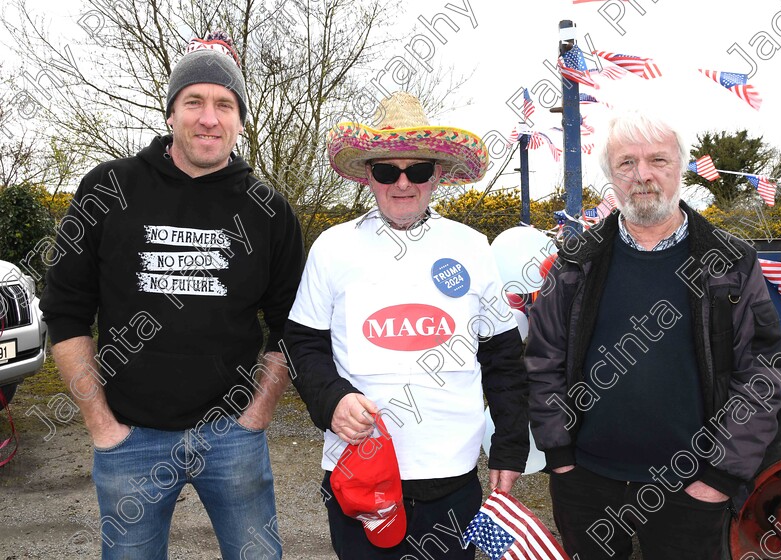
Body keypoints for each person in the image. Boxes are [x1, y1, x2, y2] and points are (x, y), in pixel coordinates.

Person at [39, 31, 304, 560]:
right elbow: (65, 313)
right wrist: (102, 425)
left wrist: (256, 416)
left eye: (225, 104)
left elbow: (291, 325)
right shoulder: (108, 187)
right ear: (170, 113)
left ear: (240, 120)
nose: (210, 117)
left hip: (232, 437)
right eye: (195, 102)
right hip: (129, 438)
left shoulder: (267, 209)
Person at [526, 110, 781, 559]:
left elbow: (760, 373)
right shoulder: (575, 262)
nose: (642, 175)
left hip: (693, 487)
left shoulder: (731, 262)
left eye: (658, 161)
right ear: (611, 176)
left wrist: (720, 478)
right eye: (626, 163)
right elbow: (543, 360)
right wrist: (560, 456)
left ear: (680, 167)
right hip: (587, 481)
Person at [283, 91, 530, 560]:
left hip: (453, 480)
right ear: (368, 176)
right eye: (386, 171)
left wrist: (509, 450)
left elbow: (503, 360)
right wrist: (331, 400)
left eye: (416, 170)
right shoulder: (333, 248)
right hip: (358, 473)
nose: (402, 183)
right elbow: (301, 344)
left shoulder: (473, 247)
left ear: (437, 174)